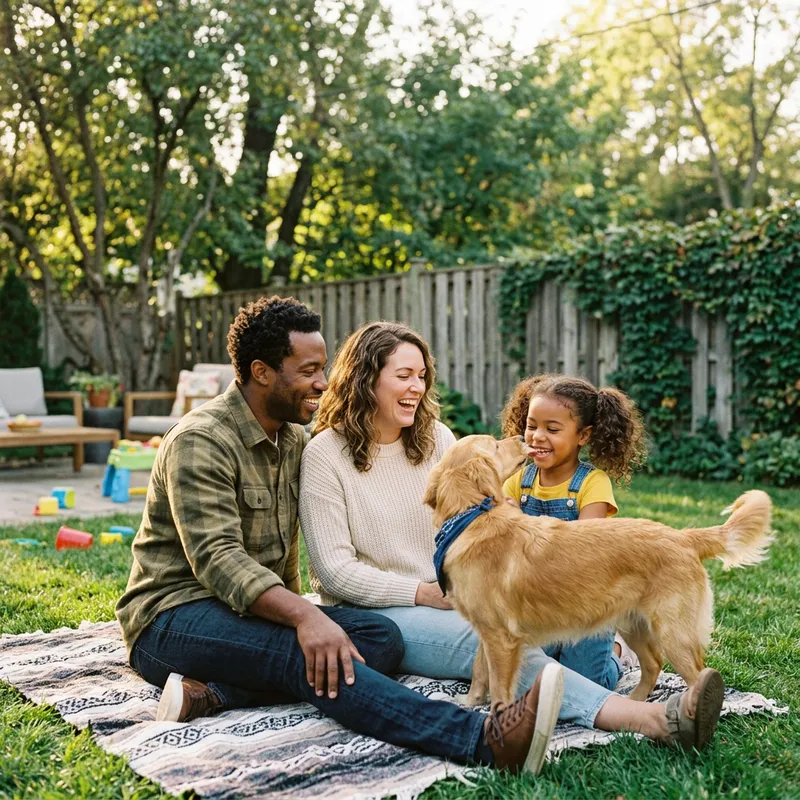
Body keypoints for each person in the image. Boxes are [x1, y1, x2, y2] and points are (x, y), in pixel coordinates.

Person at [115, 296, 567, 776]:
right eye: (308, 370)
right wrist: (305, 618)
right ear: (261, 371)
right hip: (171, 617)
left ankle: (215, 694)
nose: (324, 381)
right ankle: (483, 739)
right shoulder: (200, 441)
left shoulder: (291, 439)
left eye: (323, 366)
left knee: (380, 640)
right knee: (311, 651)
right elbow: (218, 560)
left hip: (243, 613)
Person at [300, 321, 724, 752]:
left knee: (526, 627)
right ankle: (650, 718)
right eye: (403, 375)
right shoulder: (324, 455)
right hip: (382, 612)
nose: (417, 387)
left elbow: (492, 519)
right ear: (365, 377)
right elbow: (334, 573)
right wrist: (424, 592)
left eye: (422, 375)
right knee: (493, 639)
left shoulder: (436, 439)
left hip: (459, 590)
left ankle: (610, 654)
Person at [500, 373, 648, 689]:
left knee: (586, 685)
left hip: (585, 607)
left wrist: (519, 524)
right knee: (530, 679)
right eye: (531, 425)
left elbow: (582, 551)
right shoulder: (517, 482)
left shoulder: (592, 484)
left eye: (552, 429)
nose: (537, 436)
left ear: (583, 435)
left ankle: (617, 653)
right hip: (536, 606)